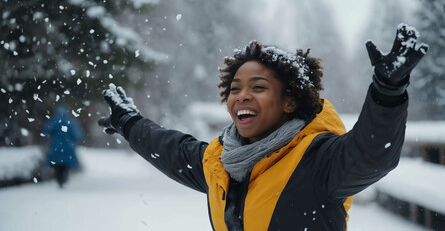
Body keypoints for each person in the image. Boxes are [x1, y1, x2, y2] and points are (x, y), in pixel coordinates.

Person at [98, 24, 428, 230]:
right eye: (234, 88)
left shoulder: (318, 161)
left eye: (257, 87)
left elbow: (371, 155)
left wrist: (388, 91)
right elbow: (172, 150)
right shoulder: (221, 161)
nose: (241, 96)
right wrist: (129, 123)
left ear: (289, 101)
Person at [43, 104, 84, 188]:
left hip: (55, 147)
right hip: (68, 148)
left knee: (57, 165)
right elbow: (78, 135)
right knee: (65, 165)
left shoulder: (53, 121)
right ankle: (64, 180)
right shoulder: (70, 121)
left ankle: (59, 180)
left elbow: (45, 132)